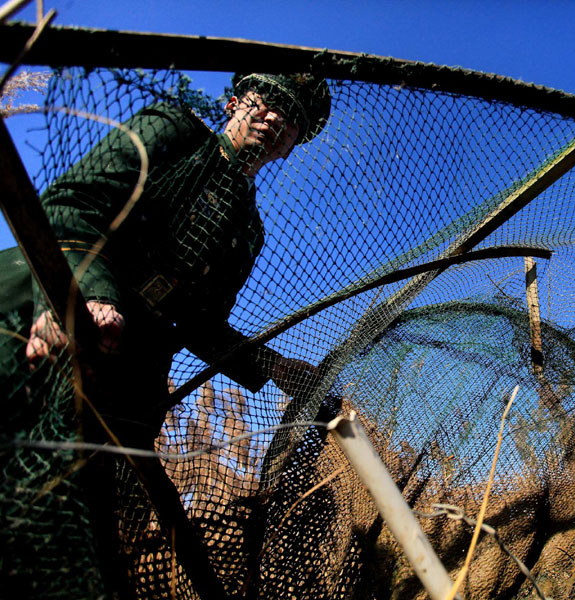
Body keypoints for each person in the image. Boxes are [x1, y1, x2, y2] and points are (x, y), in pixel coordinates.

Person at [0, 72, 330, 597]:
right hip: (35, 316)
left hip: (124, 386)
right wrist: (89, 294)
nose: (276, 120)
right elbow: (73, 205)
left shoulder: (249, 232)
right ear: (234, 102)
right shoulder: (174, 132)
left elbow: (196, 321)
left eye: (293, 122)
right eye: (269, 102)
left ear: (291, 147)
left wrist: (271, 367)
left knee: (69, 538)